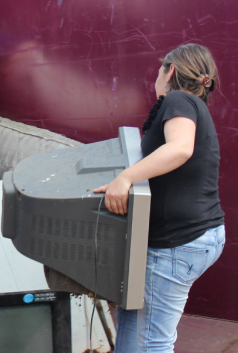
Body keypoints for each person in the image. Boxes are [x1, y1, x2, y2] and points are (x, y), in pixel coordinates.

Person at [93, 43, 226, 353]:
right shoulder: (192, 106)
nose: (156, 76)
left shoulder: (179, 99)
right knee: (134, 322)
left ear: (172, 71)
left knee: (152, 341)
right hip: (191, 237)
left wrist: (126, 178)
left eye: (159, 69)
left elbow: (180, 149)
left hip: (177, 244)